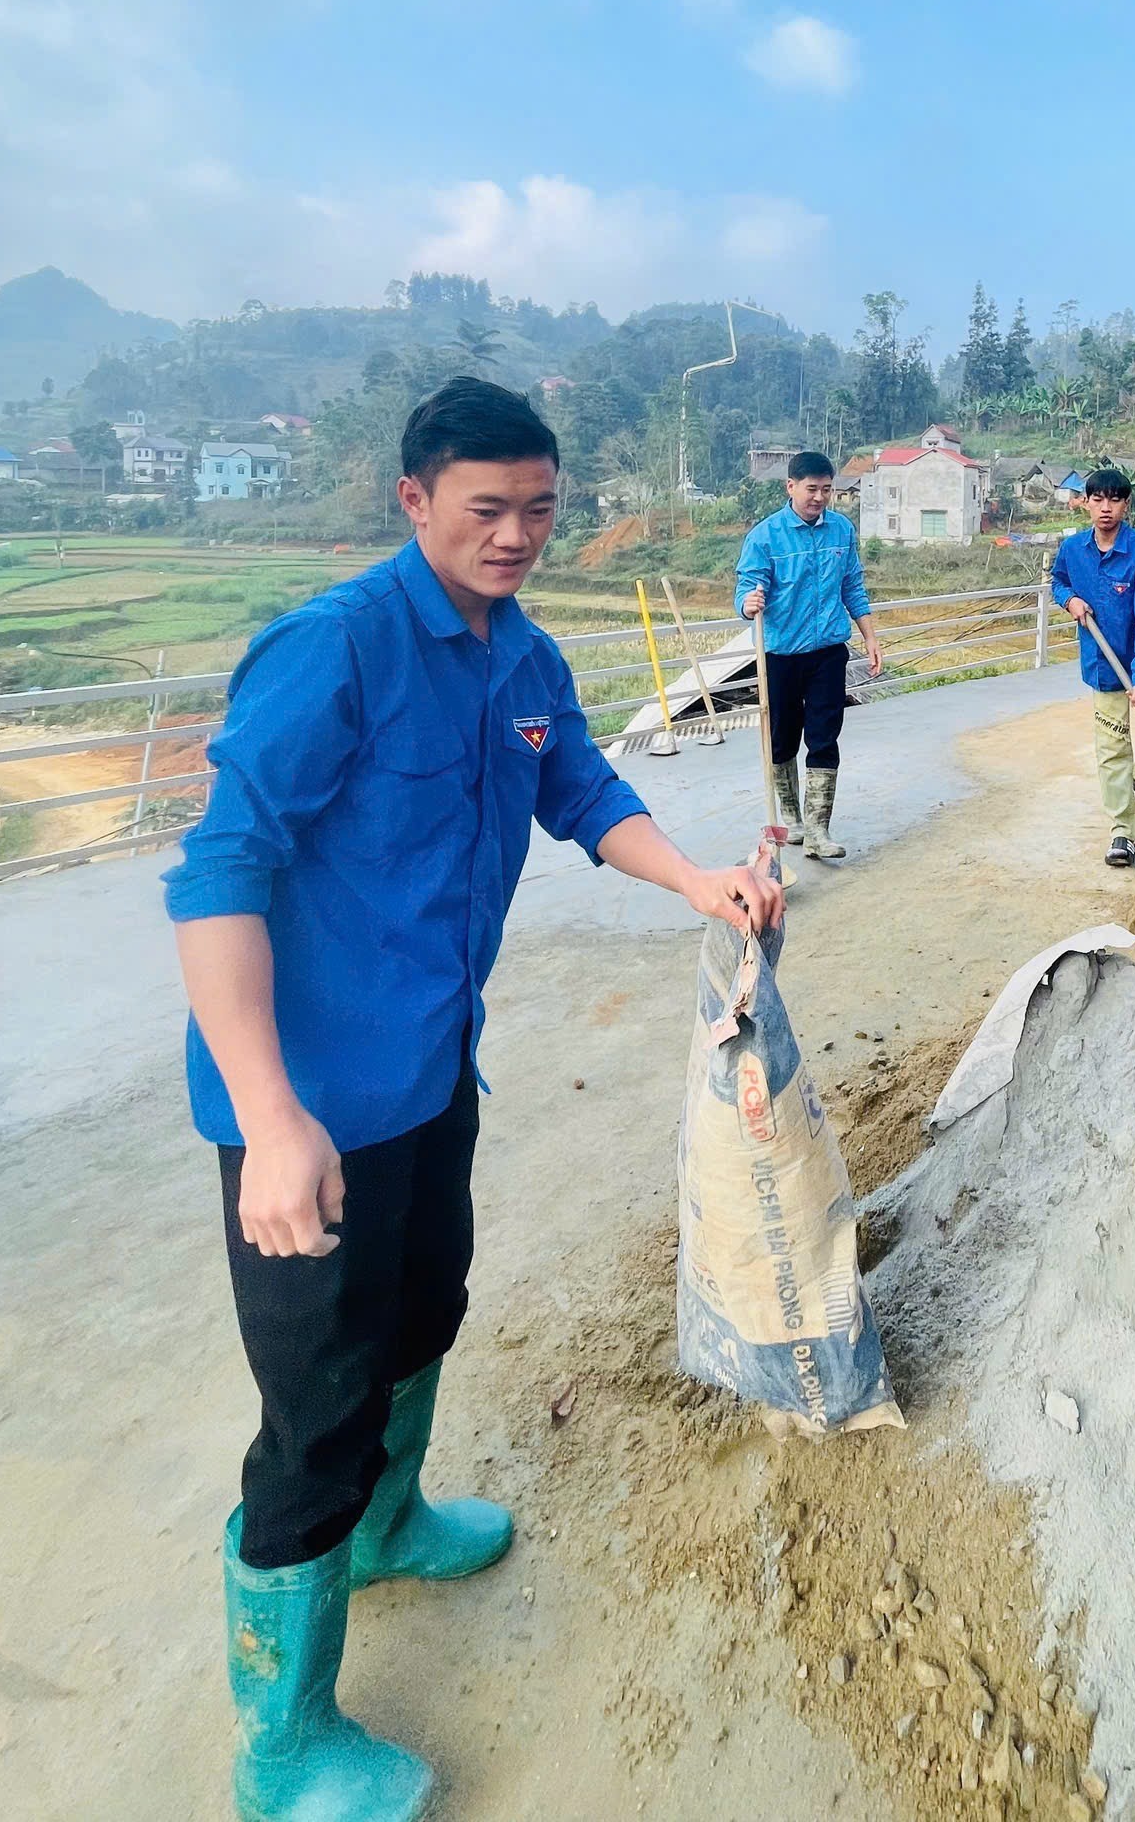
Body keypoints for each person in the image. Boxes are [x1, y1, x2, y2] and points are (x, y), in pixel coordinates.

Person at [166, 379, 782, 1822]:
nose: (515, 536)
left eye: (538, 509)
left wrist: (698, 879)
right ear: (415, 502)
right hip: (306, 1114)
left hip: (433, 1072)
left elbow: (580, 790)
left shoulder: (524, 660)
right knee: (312, 1412)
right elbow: (218, 876)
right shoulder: (335, 651)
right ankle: (284, 1747)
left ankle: (389, 1528)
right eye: (486, 509)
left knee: (425, 1311)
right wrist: (267, 1114)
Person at [736, 450, 883, 861]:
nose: (819, 497)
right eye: (811, 488)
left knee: (824, 736)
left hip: (827, 653)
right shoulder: (765, 536)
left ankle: (819, 829)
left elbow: (853, 586)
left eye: (826, 489)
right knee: (782, 740)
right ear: (791, 487)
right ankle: (792, 819)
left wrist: (870, 637)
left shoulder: (841, 531)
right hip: (780, 653)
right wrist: (749, 602)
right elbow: (747, 588)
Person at [1049, 465, 1135, 868]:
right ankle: (1122, 833)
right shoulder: (1072, 550)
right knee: (1112, 749)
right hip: (1104, 669)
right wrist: (1068, 600)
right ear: (1085, 503)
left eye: (1114, 500)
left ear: (1126, 505)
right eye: (1098, 499)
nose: (1105, 508)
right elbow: (1058, 581)